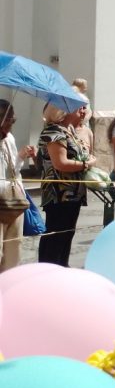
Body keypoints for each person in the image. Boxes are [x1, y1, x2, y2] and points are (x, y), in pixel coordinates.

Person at [38, 102, 95, 266]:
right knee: (55, 237)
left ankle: (61, 269)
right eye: (79, 108)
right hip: (59, 194)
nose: (83, 111)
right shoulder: (53, 131)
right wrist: (86, 164)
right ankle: (49, 272)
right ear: (65, 111)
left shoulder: (69, 131)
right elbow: (60, 163)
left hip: (73, 194)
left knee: (66, 236)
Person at [0, 100, 36, 271]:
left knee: (14, 250)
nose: (9, 124)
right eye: (5, 119)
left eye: (11, 120)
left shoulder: (10, 139)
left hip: (13, 202)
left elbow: (12, 170)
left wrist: (21, 157)